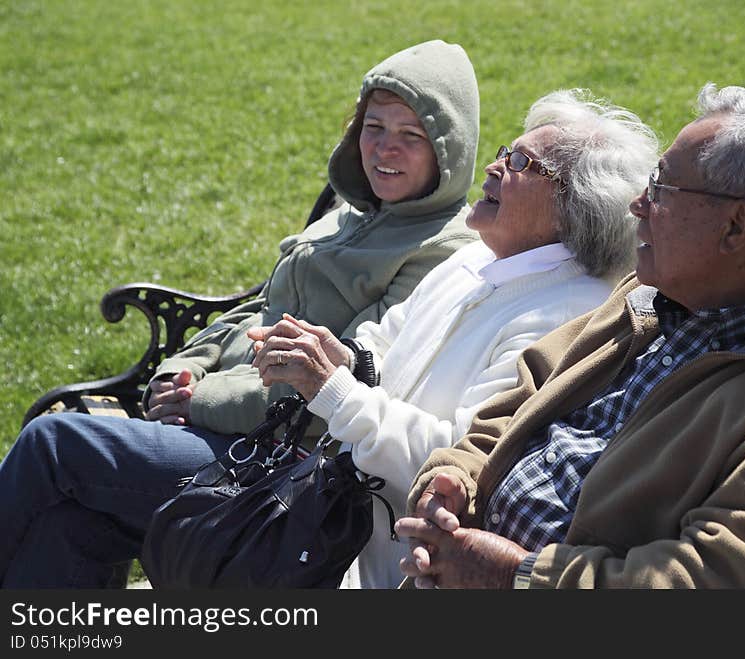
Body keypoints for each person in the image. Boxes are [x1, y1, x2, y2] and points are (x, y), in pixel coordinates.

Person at [0, 39, 480, 588]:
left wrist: (199, 400)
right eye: (374, 128)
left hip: (280, 466)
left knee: (55, 443)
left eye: (410, 136)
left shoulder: (437, 251)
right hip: (223, 428)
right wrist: (186, 369)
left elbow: (329, 382)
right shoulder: (354, 214)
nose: (384, 150)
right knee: (70, 526)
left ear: (448, 149)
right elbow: (257, 307)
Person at [396, 83, 745, 589]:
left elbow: (715, 586)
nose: (637, 204)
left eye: (661, 187)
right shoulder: (652, 296)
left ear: (735, 227)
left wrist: (516, 577)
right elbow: (524, 397)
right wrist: (457, 478)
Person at [246, 88, 659, 588]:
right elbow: (387, 337)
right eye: (505, 150)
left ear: (575, 206)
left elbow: (456, 456)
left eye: (522, 162)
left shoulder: (567, 315)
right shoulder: (477, 258)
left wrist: (333, 390)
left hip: (388, 567)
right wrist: (348, 359)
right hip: (329, 526)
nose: (493, 166)